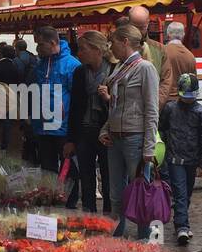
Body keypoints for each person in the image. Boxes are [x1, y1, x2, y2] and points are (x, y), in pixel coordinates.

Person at [99, 23, 159, 237]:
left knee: (140, 193)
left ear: (124, 42)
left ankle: (143, 239)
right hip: (115, 138)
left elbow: (152, 110)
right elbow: (116, 106)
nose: (110, 46)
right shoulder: (118, 68)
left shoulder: (145, 69)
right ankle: (117, 238)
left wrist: (149, 148)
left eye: (113, 41)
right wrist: (105, 129)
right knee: (116, 194)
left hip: (135, 138)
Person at [63, 31, 115, 214]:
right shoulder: (80, 72)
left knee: (109, 176)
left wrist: (107, 98)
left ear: (97, 49)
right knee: (86, 175)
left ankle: (109, 214)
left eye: (83, 49)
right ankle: (89, 214)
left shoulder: (114, 69)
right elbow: (74, 107)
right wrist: (70, 139)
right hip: (84, 131)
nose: (79, 53)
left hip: (107, 131)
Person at [159, 71, 202, 245]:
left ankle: (181, 221)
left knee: (186, 193)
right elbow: (162, 129)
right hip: (174, 159)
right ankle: (182, 225)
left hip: (192, 160)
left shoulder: (201, 113)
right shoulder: (170, 109)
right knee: (180, 193)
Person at [29, 26, 80, 173]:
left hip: (62, 129)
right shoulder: (40, 65)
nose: (38, 48)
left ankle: (70, 196)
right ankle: (50, 196)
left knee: (68, 171)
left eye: (40, 44)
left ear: (52, 43)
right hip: (42, 127)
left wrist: (73, 133)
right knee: (47, 171)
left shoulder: (72, 65)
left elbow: (77, 101)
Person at [158, 21, 198, 109]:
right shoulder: (190, 56)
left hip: (164, 102)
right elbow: (193, 83)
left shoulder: (161, 53)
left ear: (168, 35)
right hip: (183, 104)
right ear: (183, 35)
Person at [127, 5, 165, 78]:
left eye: (142, 28)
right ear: (129, 23)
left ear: (148, 23)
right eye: (135, 27)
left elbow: (166, 79)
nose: (138, 31)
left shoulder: (160, 49)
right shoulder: (121, 46)